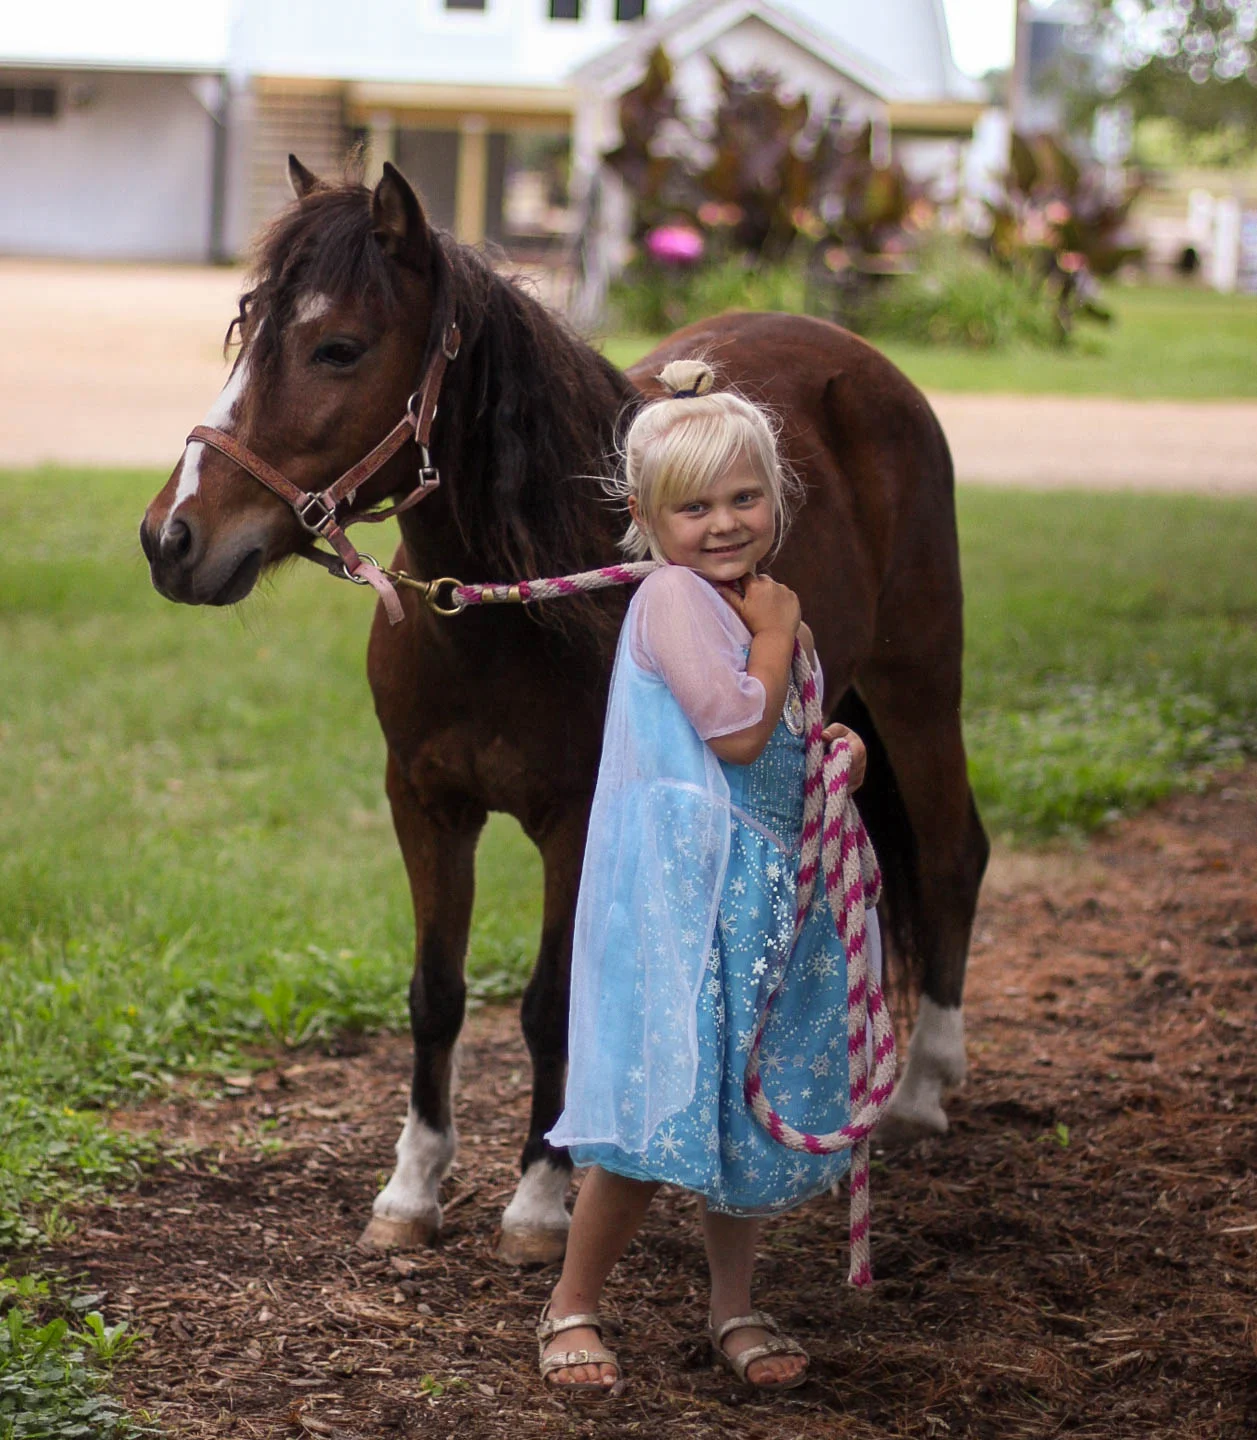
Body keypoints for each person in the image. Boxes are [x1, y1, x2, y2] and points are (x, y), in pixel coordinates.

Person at [537, 359, 878, 1396]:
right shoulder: (683, 599)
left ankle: (735, 1304)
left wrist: (840, 749)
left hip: (763, 896)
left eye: (745, 496)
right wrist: (776, 638)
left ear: (777, 496)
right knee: (656, 1110)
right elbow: (734, 730)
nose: (724, 522)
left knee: (740, 1108)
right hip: (685, 904)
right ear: (646, 517)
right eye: (694, 506)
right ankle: (572, 1303)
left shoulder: (767, 603)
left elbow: (787, 731)